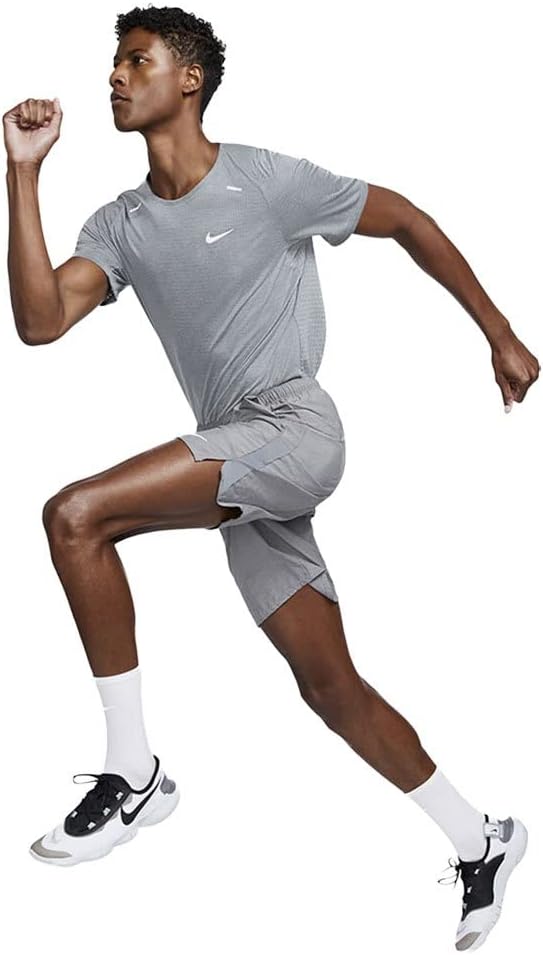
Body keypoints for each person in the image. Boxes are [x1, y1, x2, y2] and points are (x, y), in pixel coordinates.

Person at [3, 5, 539, 950]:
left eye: (136, 61)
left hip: (291, 431)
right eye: (113, 63)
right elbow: (41, 322)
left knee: (76, 515)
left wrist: (497, 332)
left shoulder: (263, 181)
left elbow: (404, 218)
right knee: (329, 687)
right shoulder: (120, 224)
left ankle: (132, 772)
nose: (115, 77)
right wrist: (22, 173)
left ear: (190, 80)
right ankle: (480, 839)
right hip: (238, 461)